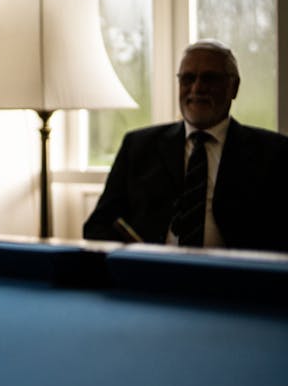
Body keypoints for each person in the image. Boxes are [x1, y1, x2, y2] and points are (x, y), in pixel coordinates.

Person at [84, 40, 288, 252]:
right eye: (188, 79)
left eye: (209, 79)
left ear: (233, 87)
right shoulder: (137, 147)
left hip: (236, 277)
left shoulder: (273, 153)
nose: (197, 88)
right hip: (152, 275)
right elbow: (98, 226)